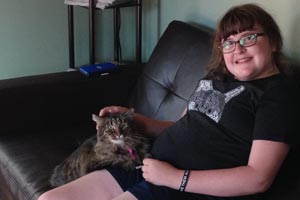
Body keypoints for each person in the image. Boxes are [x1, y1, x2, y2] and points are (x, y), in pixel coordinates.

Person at [38, 3, 299, 200]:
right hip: (146, 165)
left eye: (249, 37)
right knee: (49, 198)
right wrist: (136, 120)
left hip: (185, 187)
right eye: (228, 43)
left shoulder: (277, 96)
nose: (238, 49)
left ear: (273, 41)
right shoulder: (217, 77)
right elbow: (178, 125)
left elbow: (258, 178)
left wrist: (176, 178)